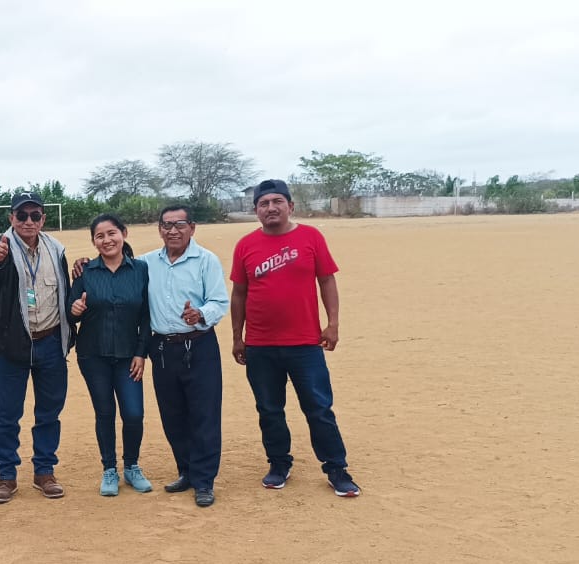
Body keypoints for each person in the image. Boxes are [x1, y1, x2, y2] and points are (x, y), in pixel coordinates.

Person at [229, 179, 360, 497]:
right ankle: (279, 463)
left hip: (304, 343)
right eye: (264, 203)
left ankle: (336, 468)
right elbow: (239, 293)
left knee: (319, 408)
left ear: (290, 206)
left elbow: (326, 281)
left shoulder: (311, 237)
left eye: (277, 202)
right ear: (256, 210)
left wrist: (333, 324)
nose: (271, 208)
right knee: (269, 409)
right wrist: (237, 337)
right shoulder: (246, 245)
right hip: (260, 345)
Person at [0, 191, 74, 504]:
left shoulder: (56, 249)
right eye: (22, 215)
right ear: (12, 218)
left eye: (35, 215)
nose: (28, 221)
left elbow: (65, 291)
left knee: (49, 413)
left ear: (43, 219)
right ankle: (6, 476)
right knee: (7, 414)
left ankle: (44, 472)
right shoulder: (0, 245)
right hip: (12, 347)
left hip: (51, 342)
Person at [144, 206, 229, 507]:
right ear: (159, 229)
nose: (173, 231)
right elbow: (117, 266)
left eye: (179, 224)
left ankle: (204, 481)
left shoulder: (206, 260)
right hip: (163, 349)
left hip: (200, 346)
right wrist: (85, 265)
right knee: (173, 416)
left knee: (204, 415)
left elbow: (219, 301)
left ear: (192, 227)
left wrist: (200, 314)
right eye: (166, 225)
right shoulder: (146, 263)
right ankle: (187, 471)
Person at [67, 214, 153, 496]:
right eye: (100, 236)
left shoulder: (141, 270)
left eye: (112, 233)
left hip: (129, 355)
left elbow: (146, 316)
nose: (107, 240)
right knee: (104, 412)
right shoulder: (85, 272)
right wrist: (75, 310)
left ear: (124, 234)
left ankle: (132, 466)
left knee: (134, 413)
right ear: (94, 241)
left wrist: (141, 353)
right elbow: (70, 310)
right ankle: (109, 469)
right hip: (93, 355)